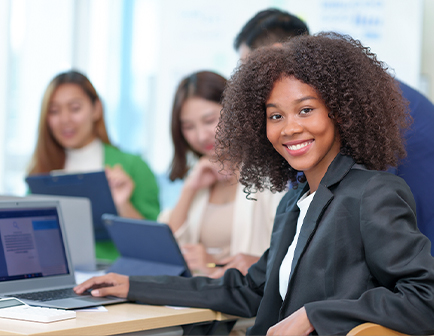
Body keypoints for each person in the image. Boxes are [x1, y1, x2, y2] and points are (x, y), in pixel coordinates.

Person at [75, 33, 434, 335]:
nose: (290, 127)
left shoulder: (373, 193)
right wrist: (132, 286)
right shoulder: (293, 202)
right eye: (275, 116)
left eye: (305, 110)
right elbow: (248, 290)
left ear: (339, 112)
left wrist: (315, 315)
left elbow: (425, 297)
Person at [235, 8, 434, 254]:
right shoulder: (345, 88)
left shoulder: (360, 104)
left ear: (277, 53)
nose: (252, 84)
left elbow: (348, 219)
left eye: (252, 68)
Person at [158, 70, 283, 277]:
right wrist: (189, 189)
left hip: (245, 304)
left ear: (235, 112)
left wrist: (213, 264)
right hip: (198, 300)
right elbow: (166, 250)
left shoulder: (268, 176)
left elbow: (281, 259)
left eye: (209, 121)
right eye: (188, 127)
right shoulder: (200, 177)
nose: (201, 135)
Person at [28, 70, 160, 261]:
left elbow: (155, 245)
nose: (65, 119)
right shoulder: (40, 171)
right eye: (54, 111)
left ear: (96, 109)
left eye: (74, 108)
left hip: (115, 279)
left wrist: (122, 205)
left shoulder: (133, 166)